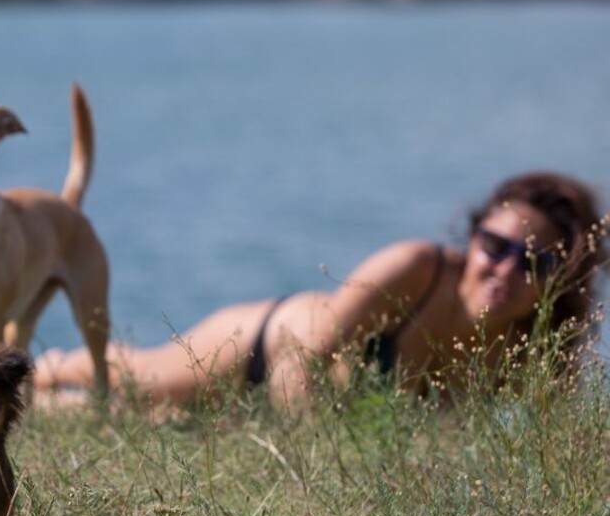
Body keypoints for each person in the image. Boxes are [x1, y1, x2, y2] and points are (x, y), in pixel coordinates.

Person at [36, 171, 606, 411]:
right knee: (140, 383)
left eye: (536, 262)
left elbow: (549, 450)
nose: (506, 270)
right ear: (474, 235)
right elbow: (303, 360)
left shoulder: (537, 350)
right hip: (259, 348)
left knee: (130, 421)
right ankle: (43, 370)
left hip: (300, 415)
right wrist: (324, 465)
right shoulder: (418, 267)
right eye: (496, 246)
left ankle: (27, 409)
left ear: (563, 280)